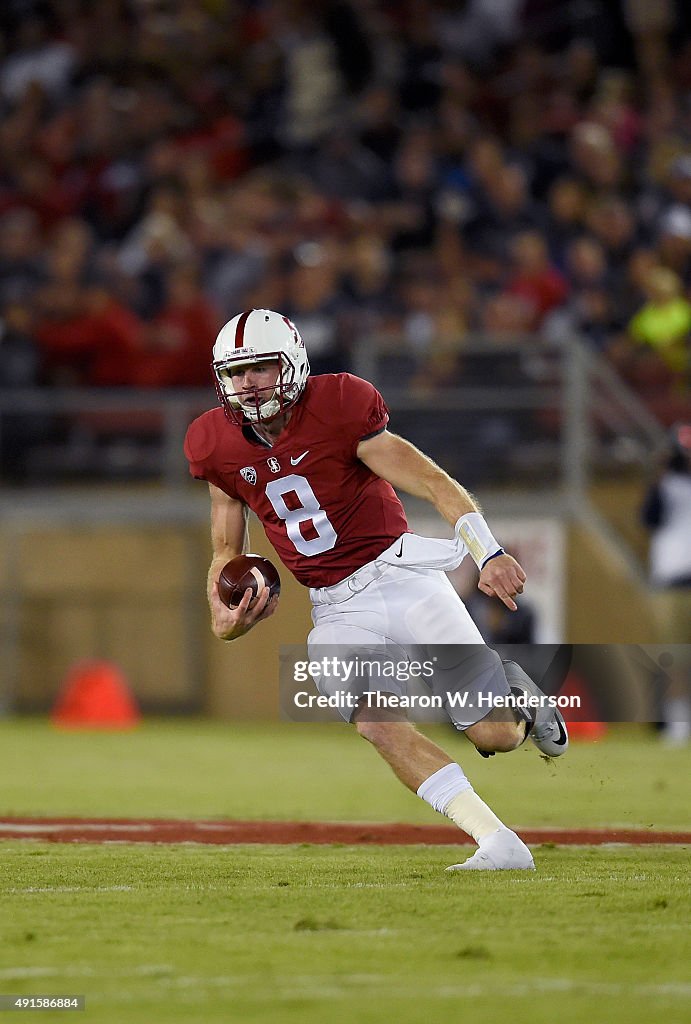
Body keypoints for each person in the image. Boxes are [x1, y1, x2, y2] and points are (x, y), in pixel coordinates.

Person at [184, 308, 569, 872]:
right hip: (336, 607)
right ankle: (497, 841)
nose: (247, 383)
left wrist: (488, 551)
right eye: (236, 372)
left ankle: (521, 702)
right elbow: (225, 550)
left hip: (403, 578)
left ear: (292, 365)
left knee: (495, 734)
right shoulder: (214, 443)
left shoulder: (340, 406)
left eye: (261, 368)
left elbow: (435, 483)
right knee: (375, 721)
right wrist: (222, 614)